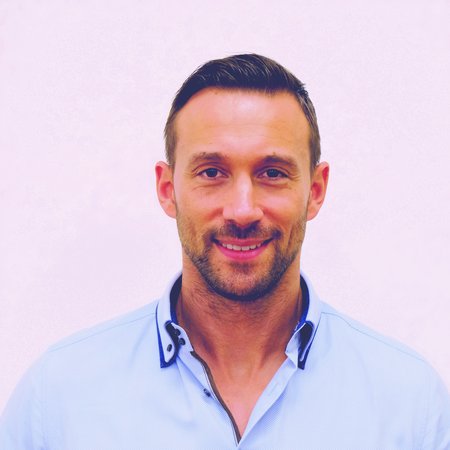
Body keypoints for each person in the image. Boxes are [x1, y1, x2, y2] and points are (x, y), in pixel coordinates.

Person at [1, 54, 449, 449]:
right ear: (167, 189)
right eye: (212, 172)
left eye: (272, 173)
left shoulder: (411, 405)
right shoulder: (58, 398)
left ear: (315, 191)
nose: (242, 210)